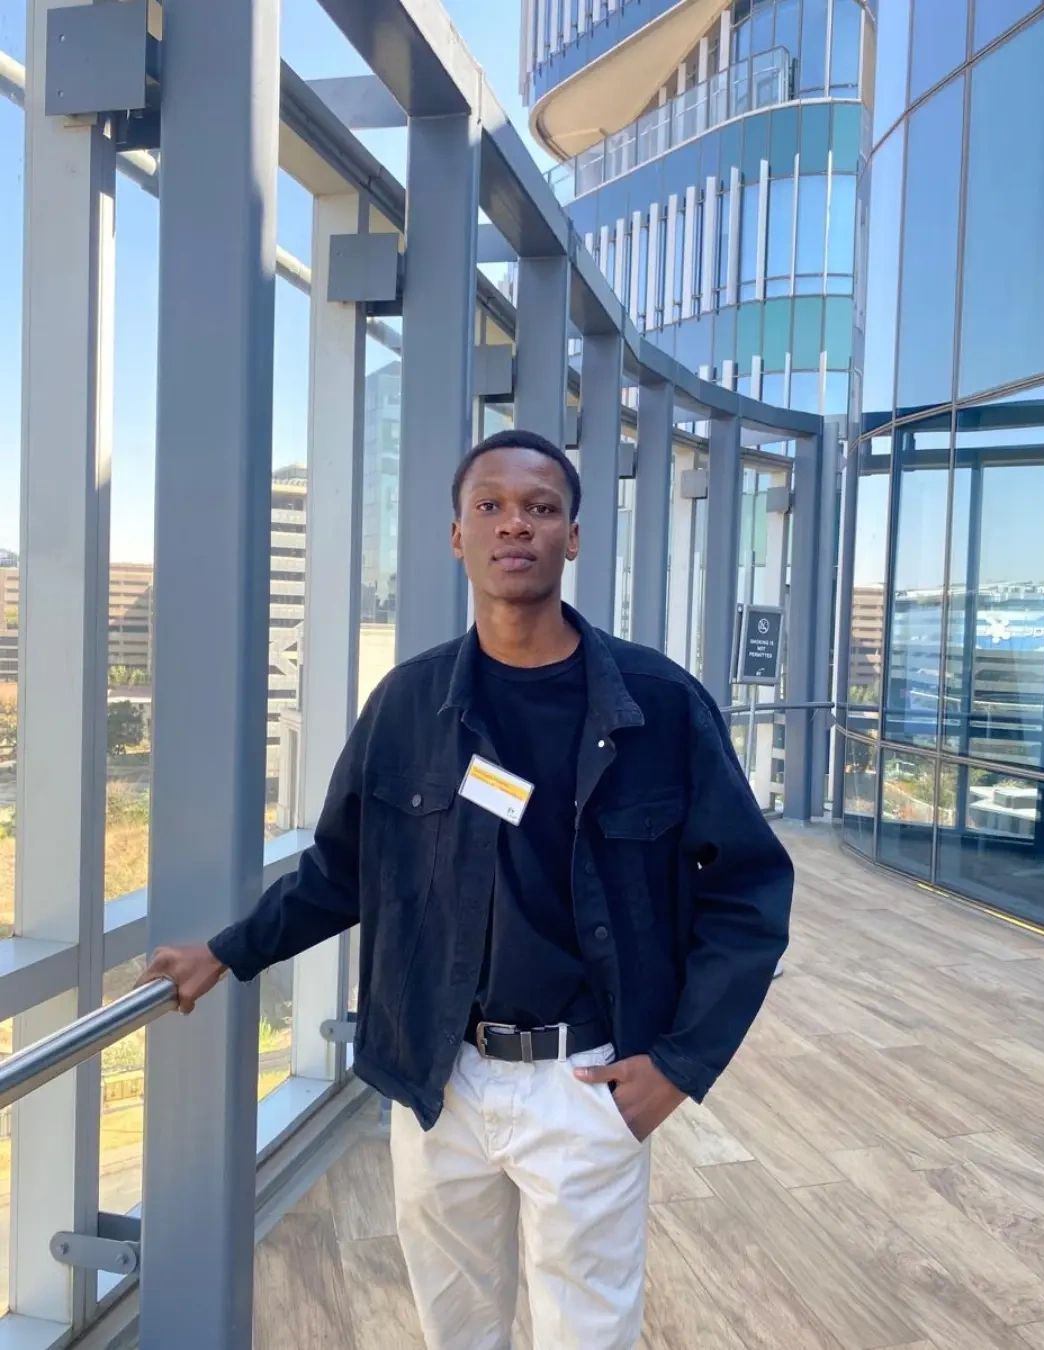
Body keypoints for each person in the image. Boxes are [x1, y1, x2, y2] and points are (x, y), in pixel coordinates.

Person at [142, 429, 793, 1350]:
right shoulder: (408, 706)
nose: (514, 524)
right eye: (490, 506)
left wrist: (680, 1067)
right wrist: (226, 950)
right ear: (457, 535)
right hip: (441, 1079)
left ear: (573, 536)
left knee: (587, 1338)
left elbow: (748, 891)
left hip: (588, 1081)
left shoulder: (660, 704)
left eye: (540, 507)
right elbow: (342, 869)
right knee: (456, 1332)